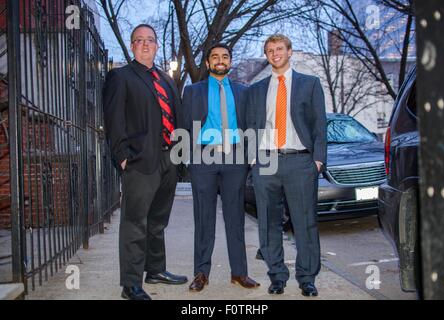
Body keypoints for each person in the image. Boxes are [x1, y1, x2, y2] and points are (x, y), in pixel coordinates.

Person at [103, 24, 188, 300]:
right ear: (132, 46)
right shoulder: (120, 77)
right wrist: (123, 158)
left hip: (168, 160)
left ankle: (155, 270)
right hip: (139, 163)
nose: (145, 44)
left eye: (150, 40)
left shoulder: (166, 80)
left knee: (158, 221)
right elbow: (114, 121)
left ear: (156, 45)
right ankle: (130, 284)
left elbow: (177, 119)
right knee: (134, 223)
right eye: (138, 40)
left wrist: (180, 154)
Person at [246, 34, 327, 297]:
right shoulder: (256, 89)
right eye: (269, 50)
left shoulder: (310, 84)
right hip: (266, 161)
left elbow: (319, 126)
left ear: (290, 52)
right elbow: (249, 125)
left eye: (279, 48)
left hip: (300, 161)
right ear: (267, 55)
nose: (275, 53)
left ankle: (307, 278)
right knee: (268, 223)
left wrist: (317, 161)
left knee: (304, 222)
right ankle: (277, 275)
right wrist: (252, 157)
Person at [181, 43, 260, 292]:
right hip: (203, 157)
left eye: (225, 56)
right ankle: (201, 273)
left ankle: (239, 273)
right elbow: (184, 124)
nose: (220, 60)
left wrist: (250, 154)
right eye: (215, 56)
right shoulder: (193, 91)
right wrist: (187, 157)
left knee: (235, 218)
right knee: (203, 218)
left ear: (230, 61)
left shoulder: (243, 91)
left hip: (235, 158)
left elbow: (251, 124)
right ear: (207, 63)